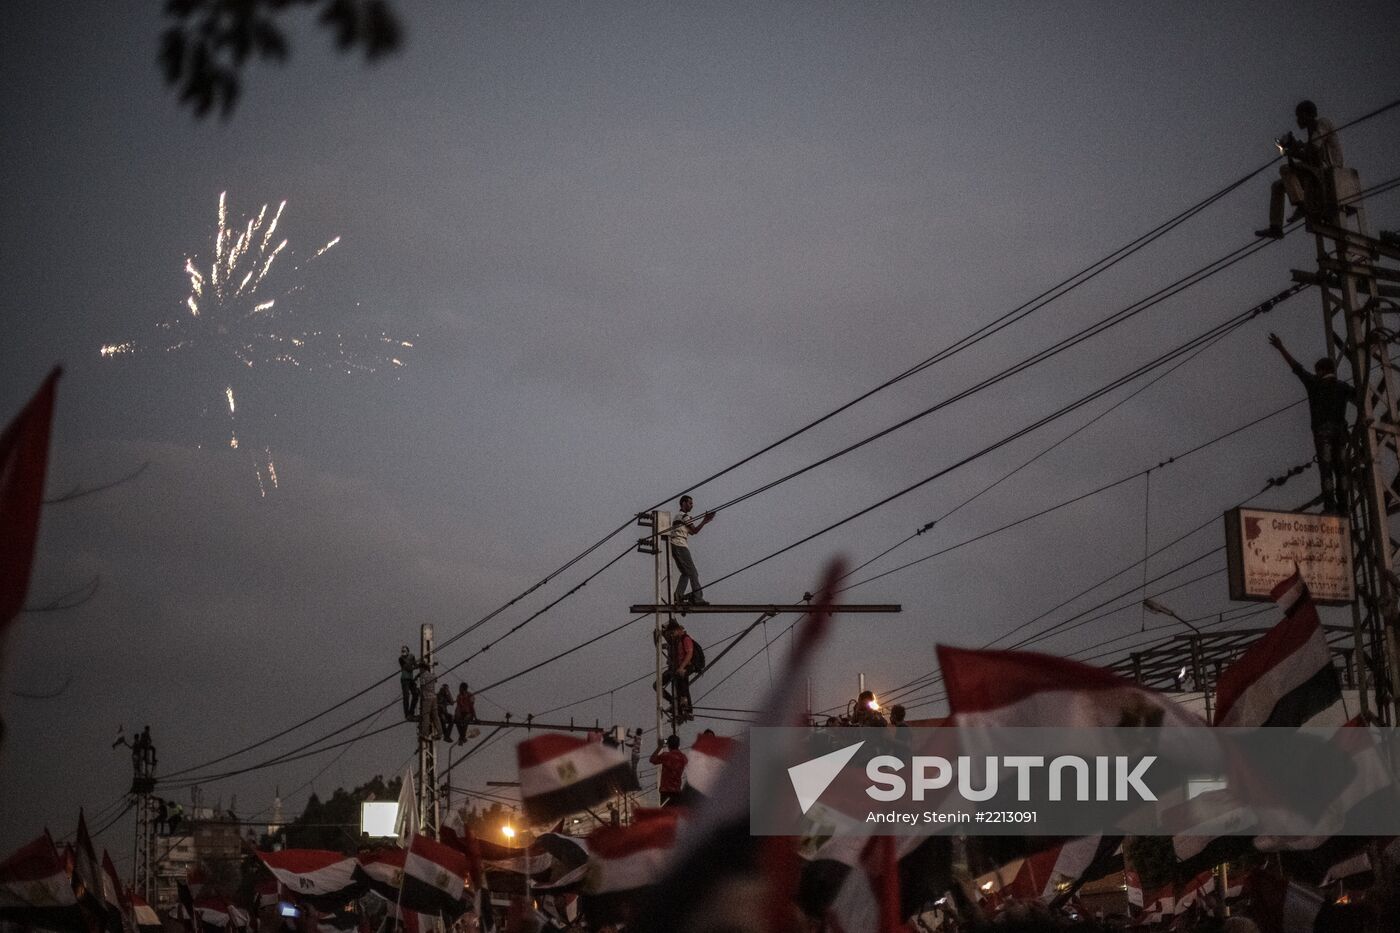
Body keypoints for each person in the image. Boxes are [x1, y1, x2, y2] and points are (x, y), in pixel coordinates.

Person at [1268, 333, 1352, 511]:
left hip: (1322, 433)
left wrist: (1281, 348)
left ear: (1320, 371)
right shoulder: (1343, 387)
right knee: (1341, 469)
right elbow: (1361, 397)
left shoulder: (1314, 383)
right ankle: (1344, 503)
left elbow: (1297, 368)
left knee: (1326, 469)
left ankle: (1330, 504)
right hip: (1340, 432)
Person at [1256, 100, 1344, 239]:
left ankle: (1301, 204)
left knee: (1285, 169)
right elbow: (1308, 156)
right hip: (1315, 172)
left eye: (1299, 116)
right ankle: (1276, 227)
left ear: (1308, 115)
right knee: (1277, 186)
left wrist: (1295, 150)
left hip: (1327, 172)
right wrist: (1292, 150)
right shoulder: (1311, 132)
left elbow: (1314, 151)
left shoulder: (1322, 123)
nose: (1298, 120)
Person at [669, 495, 714, 606]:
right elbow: (695, 530)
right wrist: (705, 521)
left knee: (686, 573)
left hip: (676, 545)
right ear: (683, 503)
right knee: (693, 572)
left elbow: (693, 532)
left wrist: (704, 521)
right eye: (690, 503)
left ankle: (678, 596)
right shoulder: (683, 516)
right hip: (680, 545)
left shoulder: (679, 516)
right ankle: (697, 598)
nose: (692, 505)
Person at [662, 618, 696, 721]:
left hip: (685, 666)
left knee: (682, 682)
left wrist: (681, 667)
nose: (671, 634)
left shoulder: (685, 639)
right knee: (659, 685)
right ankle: (675, 703)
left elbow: (689, 654)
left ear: (678, 630)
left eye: (673, 632)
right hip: (675, 668)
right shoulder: (674, 642)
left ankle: (686, 709)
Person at [649, 734, 689, 806]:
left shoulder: (666, 756)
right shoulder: (683, 757)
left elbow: (652, 759)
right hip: (677, 791)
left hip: (666, 791)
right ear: (678, 744)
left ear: (668, 745)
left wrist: (660, 747)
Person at [418, 660, 441, 741]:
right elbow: (436, 681)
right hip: (434, 697)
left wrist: (421, 696)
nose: (419, 669)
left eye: (420, 667)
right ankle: (440, 733)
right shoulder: (432, 675)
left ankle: (425, 733)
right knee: (435, 716)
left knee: (426, 716)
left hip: (426, 697)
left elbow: (422, 687)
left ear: (423, 668)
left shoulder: (422, 676)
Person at [398, 646, 419, 720]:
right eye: (402, 651)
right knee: (406, 696)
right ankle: (407, 714)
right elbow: (409, 668)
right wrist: (414, 665)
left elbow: (415, 665)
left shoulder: (411, 656)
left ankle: (411, 712)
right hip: (404, 679)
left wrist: (416, 665)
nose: (403, 652)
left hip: (410, 679)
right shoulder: (401, 659)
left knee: (416, 694)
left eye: (404, 651)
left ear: (408, 651)